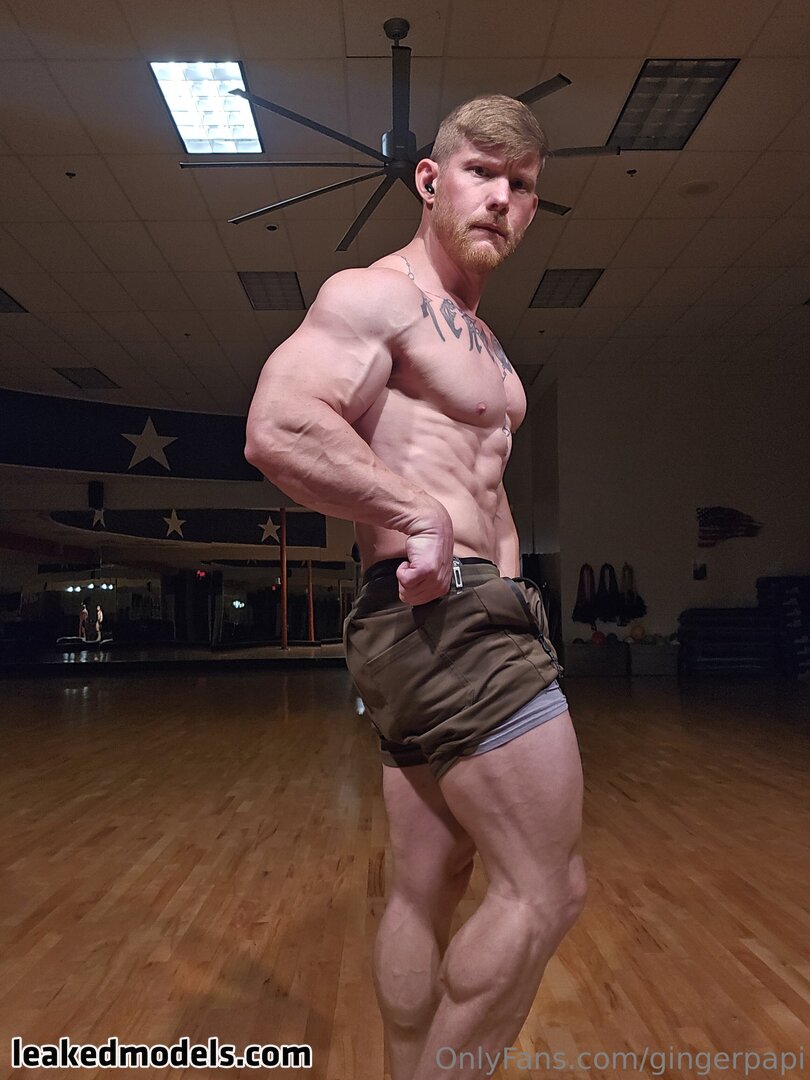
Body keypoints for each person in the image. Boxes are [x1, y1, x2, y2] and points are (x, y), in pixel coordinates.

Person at [245, 95, 586, 1080]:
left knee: (426, 887)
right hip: (440, 613)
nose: (502, 199)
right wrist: (420, 515)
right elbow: (279, 426)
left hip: (457, 619)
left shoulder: (489, 351)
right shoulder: (375, 295)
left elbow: (493, 495)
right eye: (482, 173)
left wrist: (513, 591)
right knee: (548, 890)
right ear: (430, 181)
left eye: (522, 185)